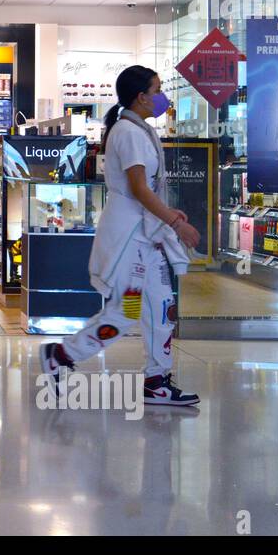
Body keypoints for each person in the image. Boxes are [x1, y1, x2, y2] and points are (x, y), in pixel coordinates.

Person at [38, 65, 203, 406]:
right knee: (127, 310)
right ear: (141, 97)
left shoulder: (138, 130)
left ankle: (157, 379)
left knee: (162, 307)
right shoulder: (128, 133)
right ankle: (62, 354)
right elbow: (140, 189)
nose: (162, 97)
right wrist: (175, 222)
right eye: (157, 91)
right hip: (131, 243)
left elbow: (147, 190)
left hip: (146, 240)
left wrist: (167, 218)